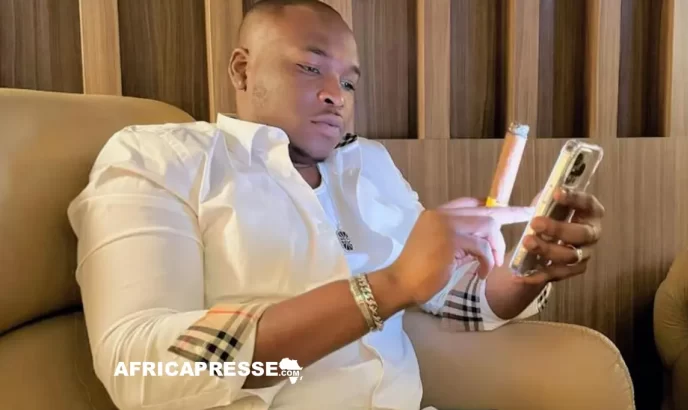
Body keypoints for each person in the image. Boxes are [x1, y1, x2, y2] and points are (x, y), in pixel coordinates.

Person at [67, 1, 605, 409]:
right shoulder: (160, 158)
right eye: (310, 68)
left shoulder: (368, 164)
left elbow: (451, 297)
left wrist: (527, 271)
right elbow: (140, 367)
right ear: (241, 70)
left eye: (349, 82)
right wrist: (385, 289)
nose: (336, 95)